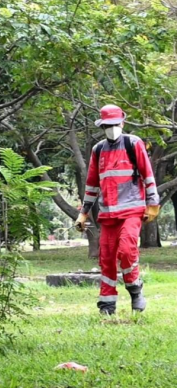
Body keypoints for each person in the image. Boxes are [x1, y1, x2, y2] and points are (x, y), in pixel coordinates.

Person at [75, 104, 160, 315]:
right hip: (108, 214)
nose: (111, 129)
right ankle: (107, 304)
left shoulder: (134, 143)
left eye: (115, 124)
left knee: (126, 251)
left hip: (132, 211)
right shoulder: (98, 150)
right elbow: (92, 185)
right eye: (107, 126)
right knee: (106, 258)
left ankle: (135, 289)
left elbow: (148, 175)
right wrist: (83, 213)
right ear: (102, 126)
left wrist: (153, 204)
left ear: (122, 123)